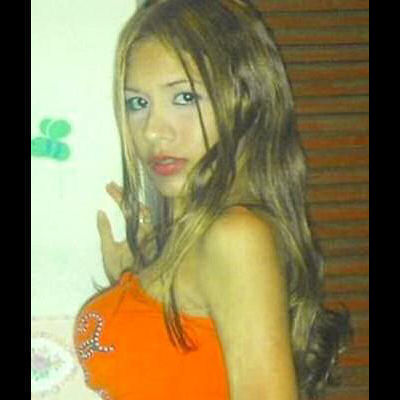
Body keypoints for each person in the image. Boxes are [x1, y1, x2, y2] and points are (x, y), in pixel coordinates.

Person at [74, 0, 352, 399]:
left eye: (185, 98)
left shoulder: (235, 235)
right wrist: (134, 281)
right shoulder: (191, 241)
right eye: (138, 103)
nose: (153, 131)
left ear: (244, 101)